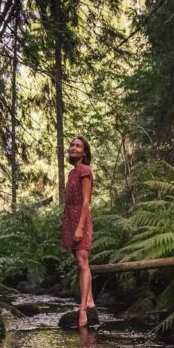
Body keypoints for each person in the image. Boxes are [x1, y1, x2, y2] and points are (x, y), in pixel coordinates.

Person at [60, 136, 97, 327]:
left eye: (78, 146)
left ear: (84, 152)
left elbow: (85, 201)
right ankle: (89, 300)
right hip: (70, 218)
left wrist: (80, 227)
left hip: (80, 220)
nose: (73, 148)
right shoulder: (72, 172)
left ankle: (83, 310)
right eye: (72, 145)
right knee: (81, 263)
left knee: (83, 263)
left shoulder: (85, 171)